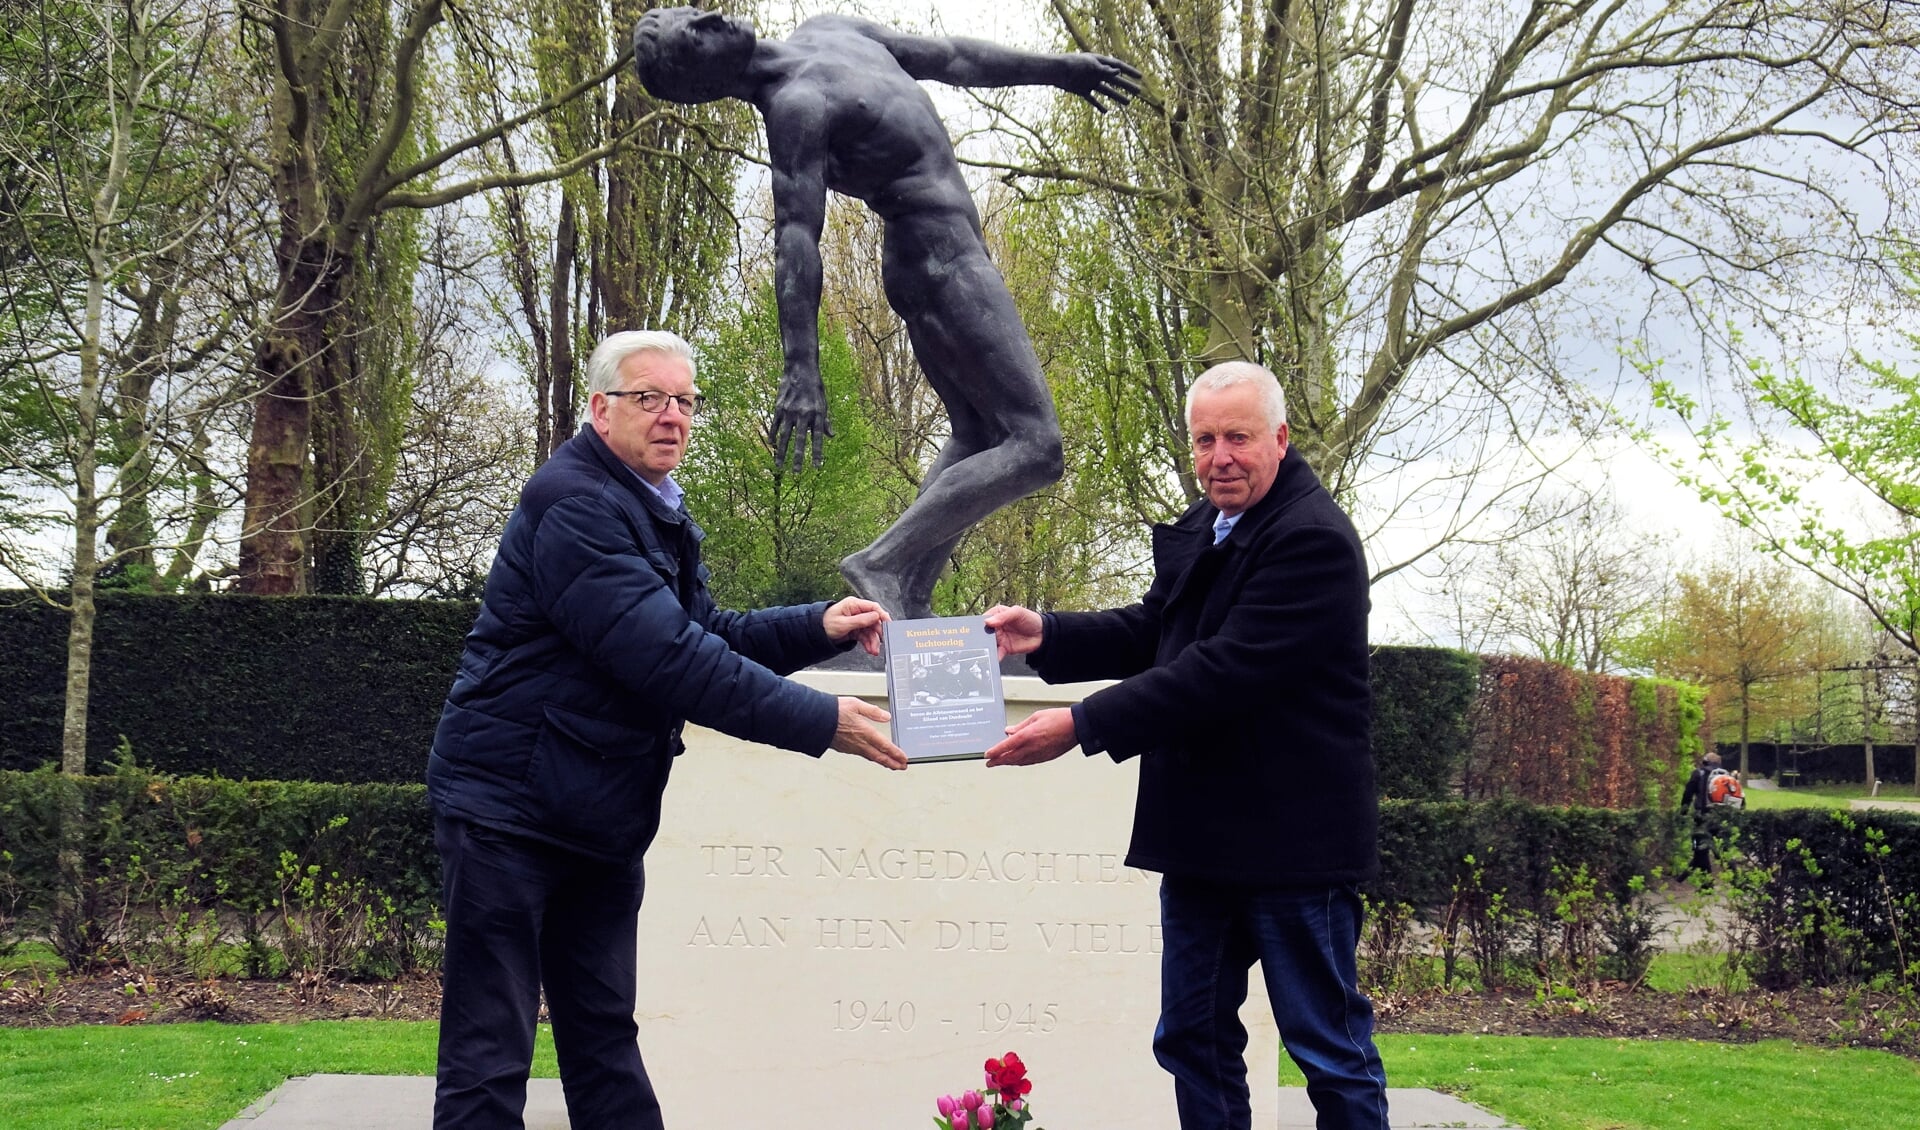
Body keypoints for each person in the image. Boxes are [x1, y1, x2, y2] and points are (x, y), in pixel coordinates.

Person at [426, 330, 908, 1130]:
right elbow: (668, 659)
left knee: (606, 1038)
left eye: (685, 401)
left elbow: (703, 631)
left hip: (596, 817)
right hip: (507, 813)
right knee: (489, 1055)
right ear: (600, 408)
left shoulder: (650, 508)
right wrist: (821, 719)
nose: (672, 417)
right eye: (650, 399)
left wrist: (817, 626)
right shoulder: (574, 504)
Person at [982, 361, 1389, 1130]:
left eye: (1237, 437)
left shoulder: (1313, 540)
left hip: (1297, 851)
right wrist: (1049, 634)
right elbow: (1158, 629)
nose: (1220, 457)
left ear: (1280, 438)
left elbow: (1223, 670)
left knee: (1328, 1050)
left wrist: (1081, 725)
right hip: (1203, 842)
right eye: (1205, 440)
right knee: (1193, 1038)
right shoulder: (1212, 523)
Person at [630, 8, 1139, 619]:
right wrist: (801, 369)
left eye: (697, 12)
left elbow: (953, 58)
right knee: (1037, 446)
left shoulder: (830, 30)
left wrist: (1059, 70)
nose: (713, 16)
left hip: (952, 255)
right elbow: (797, 237)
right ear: (706, 80)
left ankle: (911, 598)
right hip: (936, 262)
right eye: (698, 33)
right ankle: (882, 561)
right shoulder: (797, 105)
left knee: (979, 436)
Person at [1679, 752, 1724, 876]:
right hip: (1722, 817)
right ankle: (1737, 879)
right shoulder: (1725, 776)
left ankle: (1706, 882)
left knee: (1701, 848)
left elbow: (1687, 795)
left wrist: (1683, 813)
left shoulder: (1698, 774)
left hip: (1702, 816)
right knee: (1721, 850)